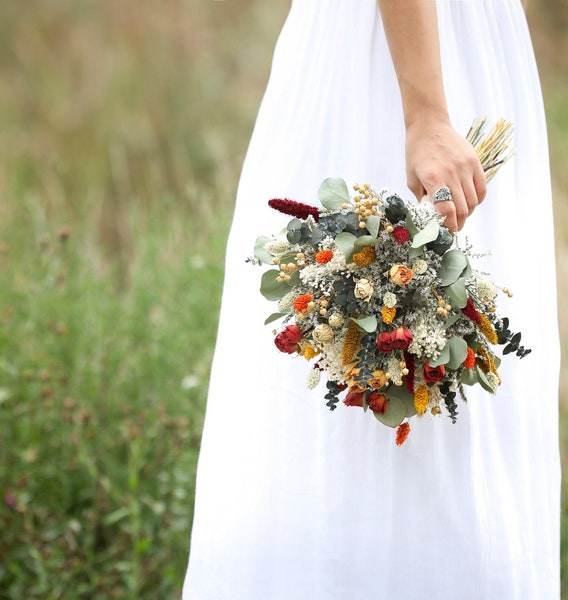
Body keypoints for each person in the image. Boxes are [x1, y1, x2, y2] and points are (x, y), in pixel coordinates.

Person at [184, 0, 560, 598]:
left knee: (451, 367)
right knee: (341, 387)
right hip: (406, 60)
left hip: (463, 42)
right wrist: (428, 115)